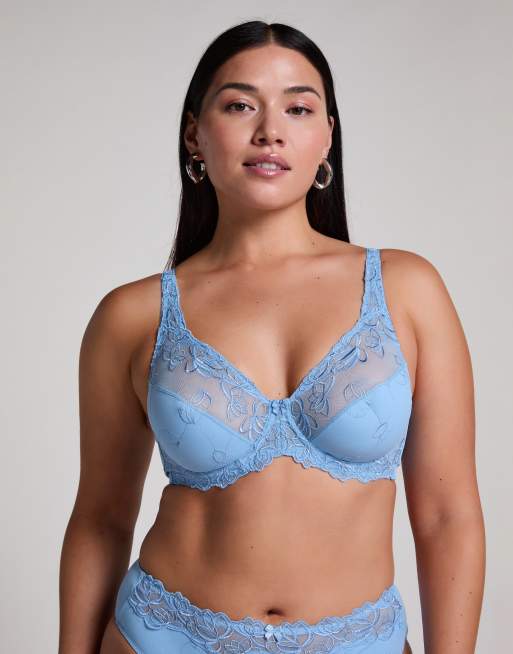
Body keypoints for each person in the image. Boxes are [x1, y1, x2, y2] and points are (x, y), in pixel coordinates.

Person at [59, 20, 485, 654]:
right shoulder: (132, 315)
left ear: (327, 136)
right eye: (239, 105)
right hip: (164, 637)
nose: (270, 131)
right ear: (195, 135)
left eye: (298, 108)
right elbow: (101, 520)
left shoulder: (406, 290)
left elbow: (449, 519)